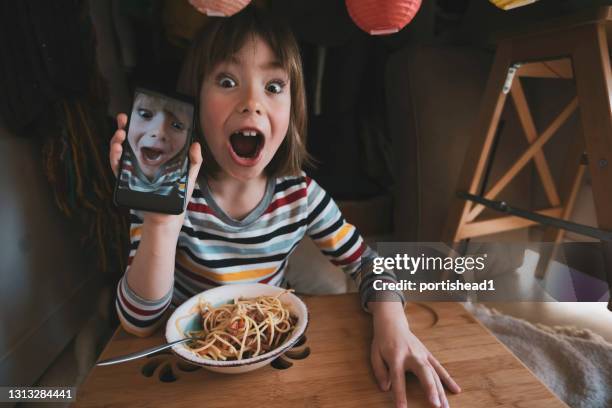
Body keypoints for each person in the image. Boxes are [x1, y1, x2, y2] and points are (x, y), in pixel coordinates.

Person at [109, 7, 460, 408]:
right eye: (227, 81)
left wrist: (393, 324)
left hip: (270, 366)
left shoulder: (301, 196)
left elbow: (371, 264)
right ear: (193, 100)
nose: (252, 102)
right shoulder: (168, 195)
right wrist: (160, 222)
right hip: (188, 375)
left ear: (293, 108)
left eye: (274, 86)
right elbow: (140, 324)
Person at [118, 91, 192, 196]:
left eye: (177, 125)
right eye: (145, 115)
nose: (159, 132)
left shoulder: (183, 170)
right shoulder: (118, 159)